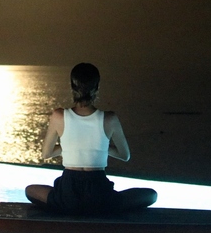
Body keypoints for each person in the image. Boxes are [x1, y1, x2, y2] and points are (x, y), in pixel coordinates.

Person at [26, 63, 157, 215]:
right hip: (100, 196)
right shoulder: (109, 118)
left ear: (72, 87)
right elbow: (124, 155)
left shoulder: (59, 116)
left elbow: (46, 154)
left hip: (68, 195)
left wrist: (70, 146)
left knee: (30, 190)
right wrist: (99, 146)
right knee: (151, 195)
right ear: (97, 88)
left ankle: (69, 208)